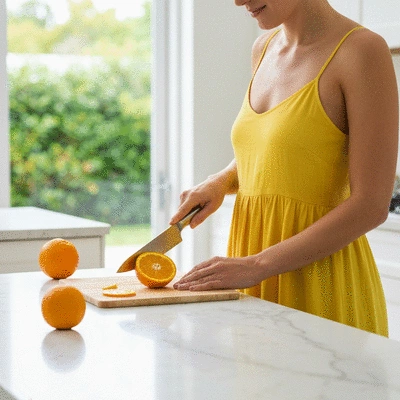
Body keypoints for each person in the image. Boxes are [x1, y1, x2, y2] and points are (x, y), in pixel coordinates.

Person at [170, 0, 399, 337]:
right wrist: (220, 181)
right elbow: (278, 149)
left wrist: (257, 265)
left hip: (322, 286)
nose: (237, 1)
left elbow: (371, 205)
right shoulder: (263, 48)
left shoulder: (362, 51)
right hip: (253, 277)